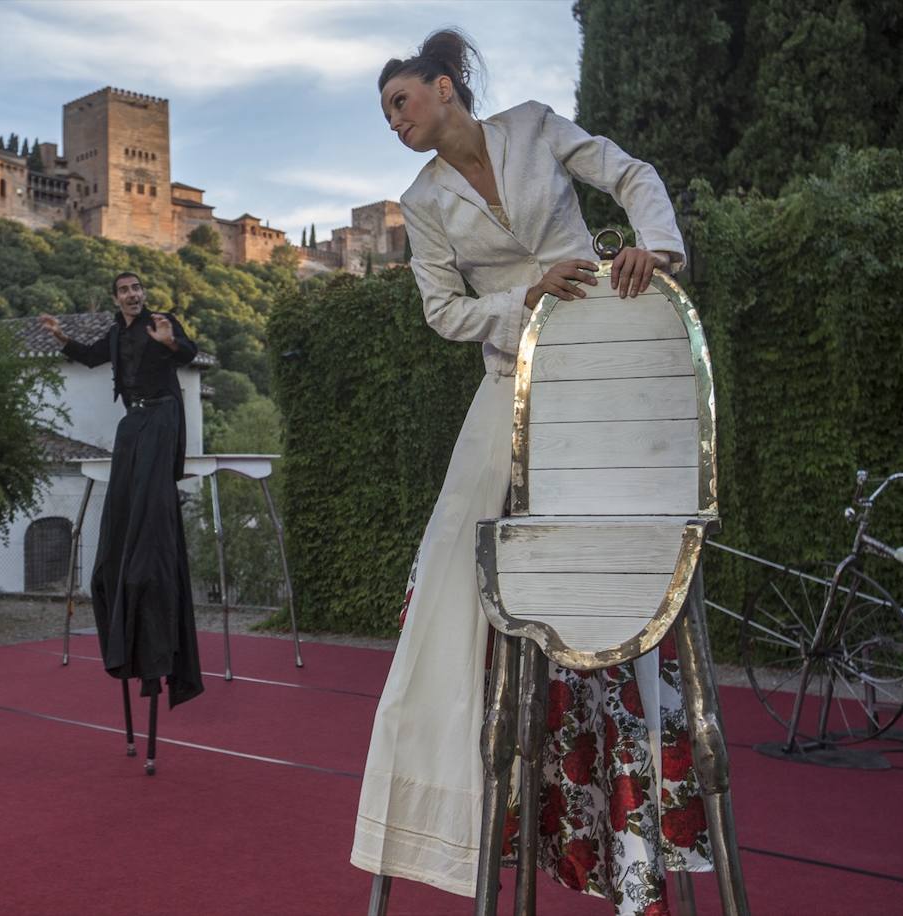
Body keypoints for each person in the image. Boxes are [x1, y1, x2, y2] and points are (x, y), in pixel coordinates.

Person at [350, 30, 711, 915]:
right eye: (386, 112)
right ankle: (439, 821)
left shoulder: (536, 127)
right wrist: (528, 298)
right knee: (451, 572)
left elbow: (633, 175)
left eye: (401, 102)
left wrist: (652, 252)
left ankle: (638, 817)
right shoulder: (422, 198)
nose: (393, 121)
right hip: (508, 381)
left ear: (444, 88)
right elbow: (444, 311)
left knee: (626, 572)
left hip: (602, 364)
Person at [38, 272, 204, 709]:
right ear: (117, 298)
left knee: (151, 499)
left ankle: (148, 560)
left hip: (164, 416)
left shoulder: (163, 322)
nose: (133, 295)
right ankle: (125, 563)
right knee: (123, 501)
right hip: (134, 419)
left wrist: (169, 342)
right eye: (125, 291)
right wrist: (60, 337)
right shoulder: (115, 334)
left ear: (143, 294)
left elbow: (189, 354)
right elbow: (91, 357)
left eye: (137, 289)